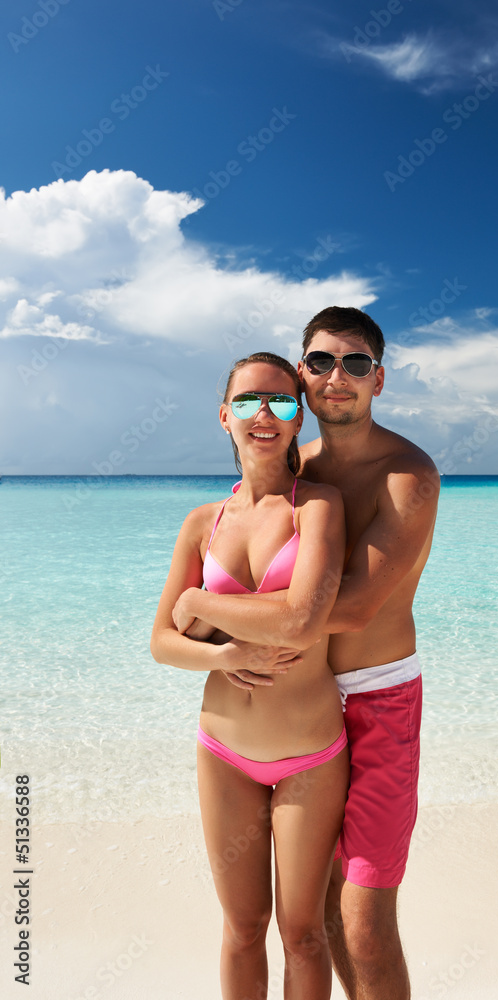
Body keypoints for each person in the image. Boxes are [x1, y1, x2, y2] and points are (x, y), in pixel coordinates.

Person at [179, 309, 440, 1000]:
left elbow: (349, 608)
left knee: (358, 918)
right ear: (300, 378)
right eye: (320, 362)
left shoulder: (407, 474)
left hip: (378, 700)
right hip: (305, 705)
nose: (337, 377)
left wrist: (202, 609)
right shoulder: (299, 474)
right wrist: (213, 644)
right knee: (308, 918)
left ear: (378, 379)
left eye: (356, 364)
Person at [150, 351, 349, 1000]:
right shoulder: (200, 524)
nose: (263, 414)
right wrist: (223, 655)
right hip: (224, 753)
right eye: (247, 402)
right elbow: (162, 643)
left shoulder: (317, 507)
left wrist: (201, 605)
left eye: (282, 402)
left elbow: (303, 618)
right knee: (240, 928)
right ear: (223, 417)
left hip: (310, 757)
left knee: (302, 934)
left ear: (299, 421)